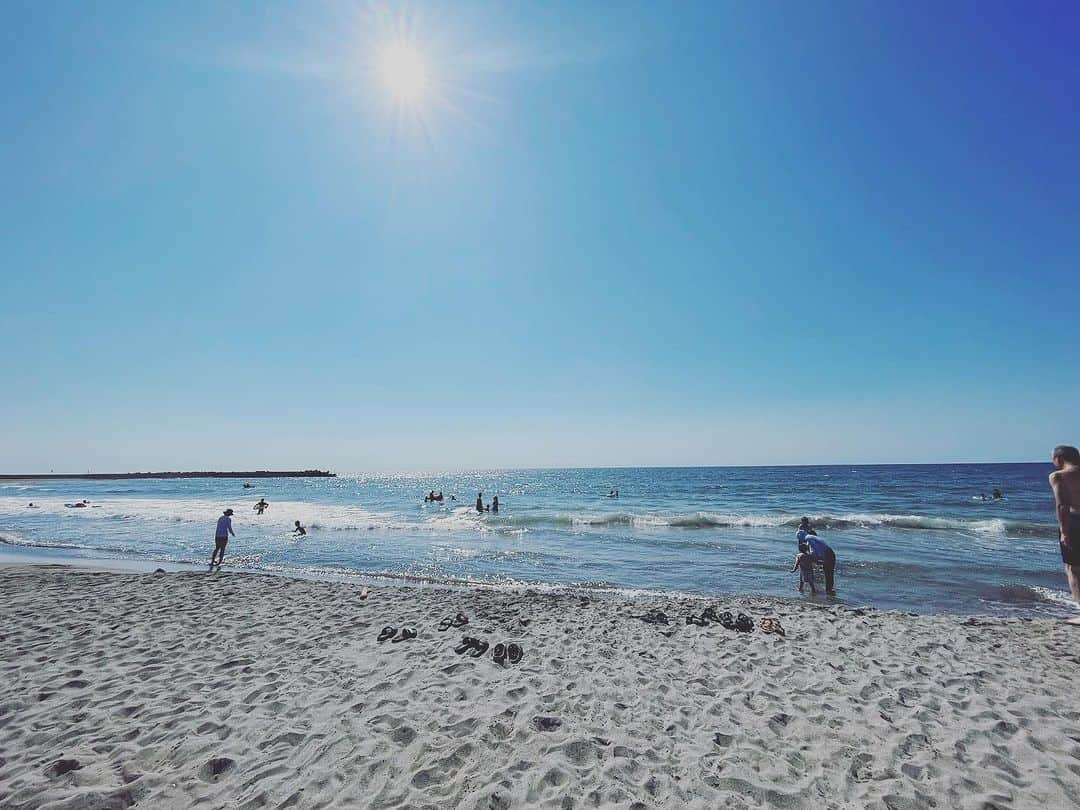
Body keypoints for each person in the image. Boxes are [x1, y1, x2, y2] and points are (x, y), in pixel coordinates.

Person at [1049, 445, 1080, 624]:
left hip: (1075, 522)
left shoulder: (1058, 476)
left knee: (1073, 569)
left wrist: (1064, 531)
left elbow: (1062, 505)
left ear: (1059, 459)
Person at [796, 525, 837, 595]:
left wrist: (815, 559)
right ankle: (830, 589)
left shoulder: (808, 539)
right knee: (829, 572)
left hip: (828, 555)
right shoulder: (812, 537)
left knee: (828, 572)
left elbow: (815, 550)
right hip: (830, 553)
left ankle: (829, 590)